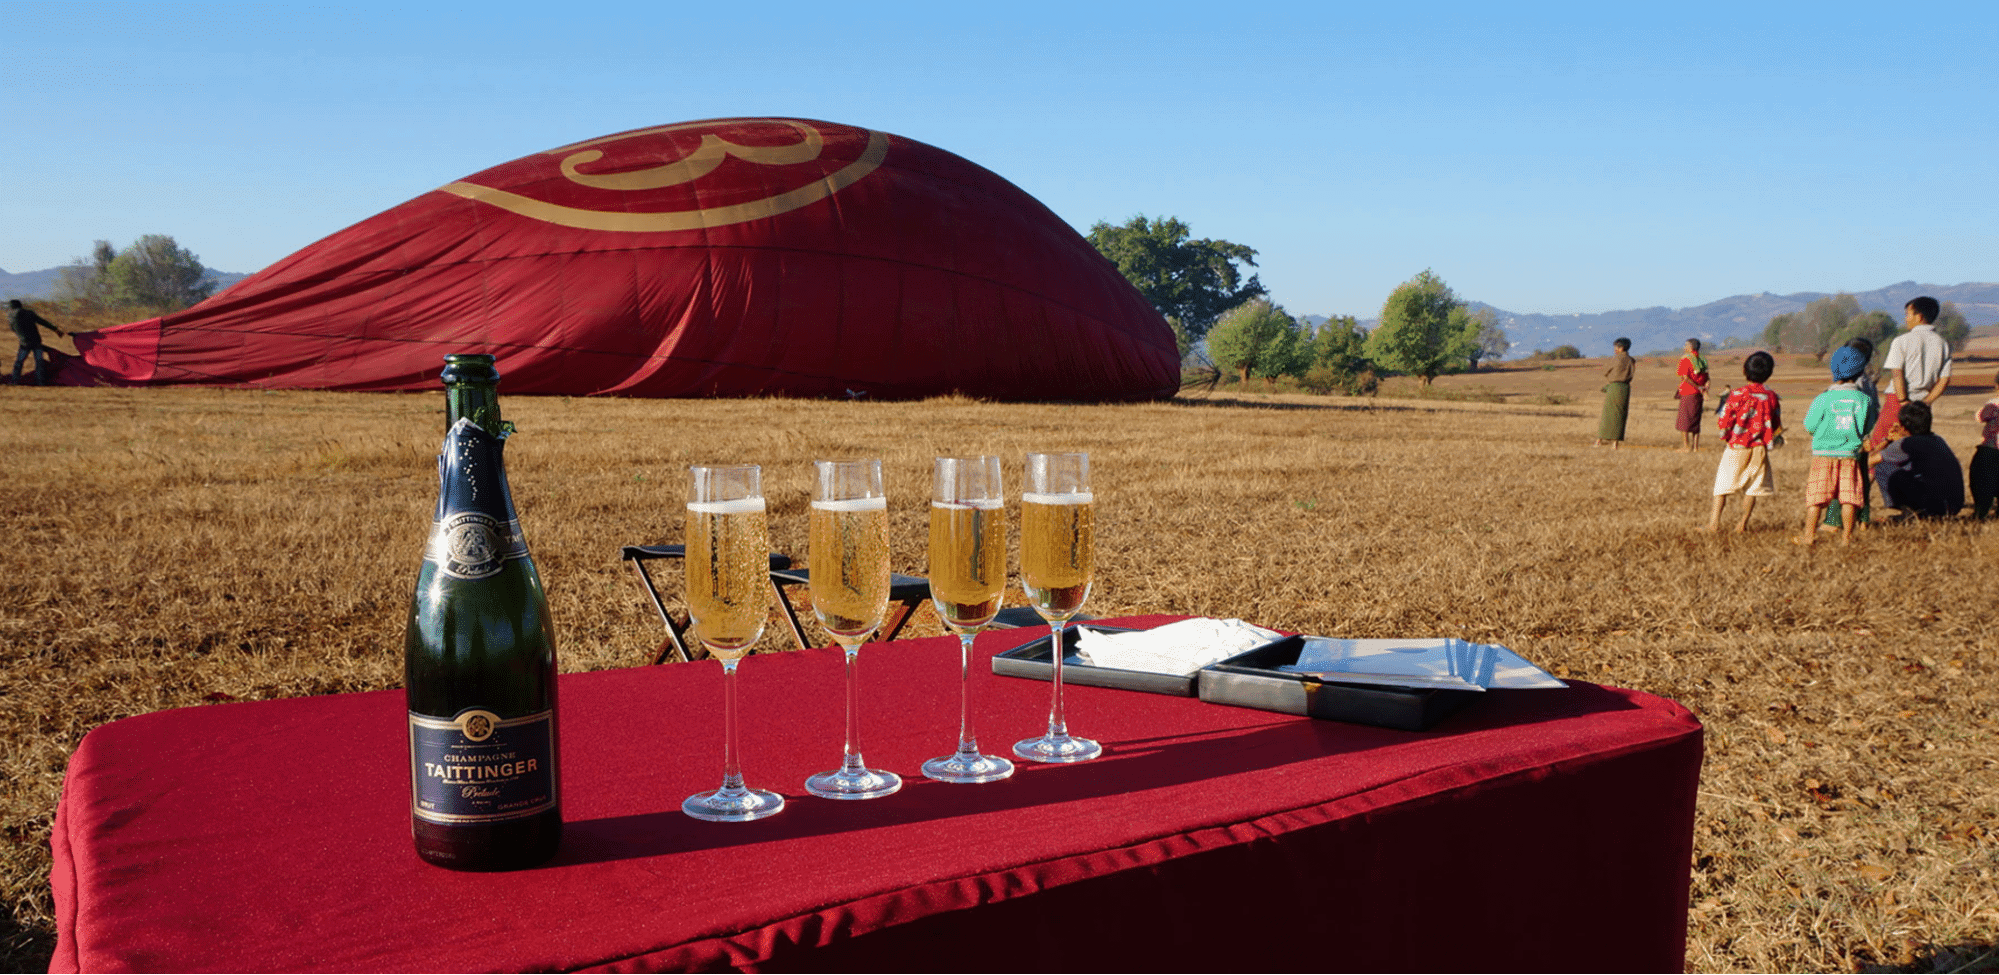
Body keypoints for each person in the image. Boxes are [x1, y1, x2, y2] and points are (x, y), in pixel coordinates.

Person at [1796, 346, 1878, 547]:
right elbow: (1868, 426)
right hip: (1850, 455)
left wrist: (1823, 435)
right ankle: (1846, 538)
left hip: (1823, 454)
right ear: (1860, 373)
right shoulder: (1864, 400)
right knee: (1849, 497)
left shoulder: (1823, 399)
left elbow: (1810, 425)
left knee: (1816, 497)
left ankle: (1808, 536)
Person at [1706, 352, 1781, 532]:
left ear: (1744, 371)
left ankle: (1714, 524)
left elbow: (1725, 420)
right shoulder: (1771, 397)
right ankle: (1742, 524)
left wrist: (1725, 435)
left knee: (1723, 485)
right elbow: (1776, 422)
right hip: (1759, 447)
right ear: (1769, 373)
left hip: (1737, 445)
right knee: (1753, 487)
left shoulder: (1737, 394)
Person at [1867, 296, 1952, 451]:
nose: (1906, 319)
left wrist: (1903, 401)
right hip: (1922, 408)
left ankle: (1874, 475)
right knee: (1915, 449)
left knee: (1879, 446)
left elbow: (1897, 374)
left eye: (1908, 314)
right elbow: (1944, 380)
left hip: (1897, 402)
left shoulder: (1902, 341)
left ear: (1919, 317)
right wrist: (1926, 402)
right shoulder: (1943, 344)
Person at [1822, 336, 1880, 531]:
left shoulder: (1853, 385)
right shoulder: (1868, 381)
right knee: (1860, 480)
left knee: (1840, 481)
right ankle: (1863, 519)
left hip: (1846, 440)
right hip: (1861, 440)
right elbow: (1874, 411)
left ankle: (1833, 522)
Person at [1871, 401, 1964, 519]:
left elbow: (1870, 461)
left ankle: (1913, 513)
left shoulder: (1906, 443)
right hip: (1954, 505)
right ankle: (1921, 511)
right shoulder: (1937, 439)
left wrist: (1887, 440)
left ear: (1904, 427)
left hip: (1935, 506)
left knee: (1883, 466)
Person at [8, 299, 65, 386]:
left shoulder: (10, 315)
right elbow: (42, 321)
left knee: (19, 362)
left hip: (24, 342)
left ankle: (15, 381)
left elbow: (12, 328)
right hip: (36, 341)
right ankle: (40, 382)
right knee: (39, 362)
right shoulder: (29, 313)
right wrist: (55, 329)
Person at [1595, 337, 1635, 448]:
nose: (1615, 349)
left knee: (1608, 414)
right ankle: (1615, 443)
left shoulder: (1616, 359)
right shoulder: (1631, 360)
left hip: (1614, 387)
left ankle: (1599, 440)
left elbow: (1605, 371)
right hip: (1625, 388)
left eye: (1616, 347)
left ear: (1621, 348)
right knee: (1620, 415)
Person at [1674, 338, 1710, 452]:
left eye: (1686, 345)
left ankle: (1686, 446)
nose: (1684, 347)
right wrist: (1704, 389)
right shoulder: (1702, 359)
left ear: (1690, 347)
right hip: (1699, 393)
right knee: (1696, 420)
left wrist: (1697, 387)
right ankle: (1695, 447)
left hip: (1688, 392)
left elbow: (1685, 377)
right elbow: (1707, 378)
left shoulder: (1686, 359)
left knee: (1684, 420)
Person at [1973, 370, 1999, 519]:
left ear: (1996, 386)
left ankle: (1981, 511)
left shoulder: (1993, 403)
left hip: (1991, 448)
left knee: (1983, 480)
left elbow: (1979, 417)